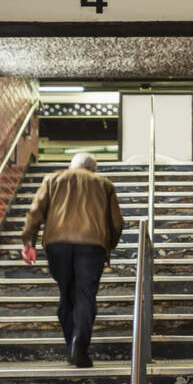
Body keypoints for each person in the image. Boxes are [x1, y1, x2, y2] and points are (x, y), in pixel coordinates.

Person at [21, 152, 124, 368]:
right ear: (94, 170)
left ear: (71, 166)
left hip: (57, 245)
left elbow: (35, 212)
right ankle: (80, 346)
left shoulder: (53, 179)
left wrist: (28, 242)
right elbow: (117, 223)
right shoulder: (104, 184)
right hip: (92, 245)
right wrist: (108, 246)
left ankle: (71, 345)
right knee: (85, 295)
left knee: (66, 294)